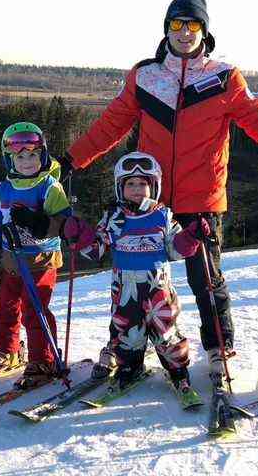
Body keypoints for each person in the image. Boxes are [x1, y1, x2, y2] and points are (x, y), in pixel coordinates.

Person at [59, 0, 258, 387]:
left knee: (205, 278)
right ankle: (129, 345)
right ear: (166, 30)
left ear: (205, 30)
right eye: (177, 25)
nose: (184, 33)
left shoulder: (224, 77)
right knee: (139, 279)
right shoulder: (145, 76)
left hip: (202, 197)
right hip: (150, 199)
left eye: (192, 26)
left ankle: (219, 348)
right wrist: (72, 159)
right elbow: (110, 125)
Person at [62, 151, 210, 395]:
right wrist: (80, 236)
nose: (137, 188)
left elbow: (175, 249)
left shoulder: (163, 216)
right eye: (130, 183)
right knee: (128, 332)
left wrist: (192, 236)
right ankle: (130, 367)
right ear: (121, 187)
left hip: (158, 290)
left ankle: (178, 370)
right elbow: (96, 250)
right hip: (125, 290)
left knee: (166, 331)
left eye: (143, 183)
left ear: (154, 186)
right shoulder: (114, 217)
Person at [0, 122, 72, 388]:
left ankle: (43, 358)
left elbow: (64, 222)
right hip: (11, 262)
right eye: (20, 156)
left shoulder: (49, 186)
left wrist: (41, 223)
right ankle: (7, 349)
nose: (27, 161)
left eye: (32, 155)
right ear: (10, 159)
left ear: (42, 155)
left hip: (41, 261)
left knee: (35, 310)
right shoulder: (4, 189)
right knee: (5, 307)